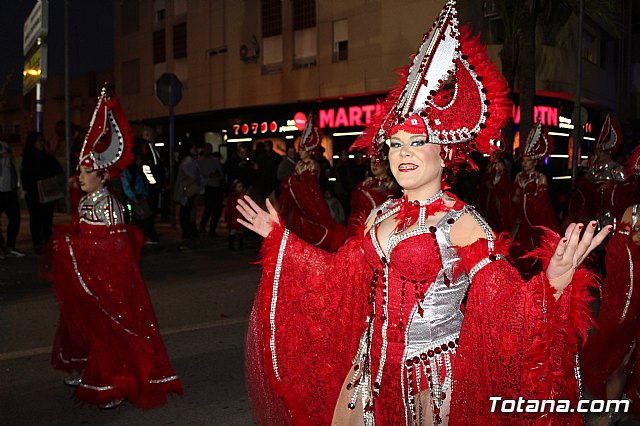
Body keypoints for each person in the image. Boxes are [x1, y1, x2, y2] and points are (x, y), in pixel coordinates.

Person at [237, 2, 611, 424]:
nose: (403, 154)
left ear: (445, 151)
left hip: (430, 380)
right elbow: (340, 277)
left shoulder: (464, 222)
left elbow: (503, 306)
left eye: (416, 142)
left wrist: (555, 278)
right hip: (367, 369)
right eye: (395, 144)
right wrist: (280, 238)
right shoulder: (383, 214)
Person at [46, 86, 183, 409]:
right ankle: (91, 369)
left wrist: (81, 249)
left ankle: (113, 384)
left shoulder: (109, 205)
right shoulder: (86, 203)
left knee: (111, 331)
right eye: (80, 170)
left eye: (86, 171)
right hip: (89, 280)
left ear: (103, 175)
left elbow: (116, 247)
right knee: (84, 324)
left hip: (109, 284)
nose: (80, 177)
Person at [277, 113, 347, 252]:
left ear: (309, 151)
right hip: (297, 200)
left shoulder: (313, 164)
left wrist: (295, 183)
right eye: (300, 150)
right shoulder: (298, 164)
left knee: (315, 222)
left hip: (310, 199)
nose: (300, 152)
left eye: (302, 150)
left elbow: (310, 183)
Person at [510, 119, 560, 272]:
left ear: (534, 162)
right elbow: (514, 195)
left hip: (535, 219)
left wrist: (528, 201)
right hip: (521, 220)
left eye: (527, 161)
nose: (524, 164)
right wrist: (517, 199)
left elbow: (542, 201)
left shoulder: (540, 178)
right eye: (523, 161)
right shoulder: (519, 176)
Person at [21, 131, 64, 253]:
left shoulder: (46, 156)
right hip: (34, 193)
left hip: (47, 191)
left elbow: (57, 169)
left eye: (43, 141)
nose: (42, 143)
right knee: (36, 218)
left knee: (47, 219)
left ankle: (47, 240)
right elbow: (28, 174)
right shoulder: (29, 157)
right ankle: (38, 243)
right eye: (39, 141)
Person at [346, 155, 398, 236]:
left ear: (387, 165)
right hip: (360, 223)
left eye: (377, 162)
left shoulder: (392, 184)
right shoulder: (366, 183)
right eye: (371, 162)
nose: (374, 165)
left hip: (379, 225)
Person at [474, 148, 514, 234]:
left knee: (496, 209)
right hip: (489, 191)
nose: (492, 156)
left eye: (494, 154)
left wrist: (493, 184)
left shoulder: (499, 165)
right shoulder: (490, 164)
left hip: (496, 191)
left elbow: (501, 178)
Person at [0, 131, 23, 258]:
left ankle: (10, 245)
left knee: (15, 218)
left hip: (9, 189)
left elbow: (12, 166)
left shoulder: (6, 145)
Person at [173, 142, 202, 240]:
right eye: (194, 147)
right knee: (187, 211)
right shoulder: (188, 161)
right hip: (189, 190)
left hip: (189, 189)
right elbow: (192, 175)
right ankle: (188, 230)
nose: (196, 149)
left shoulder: (189, 161)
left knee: (188, 210)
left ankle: (189, 230)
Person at [198, 142, 225, 236]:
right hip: (208, 186)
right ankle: (203, 226)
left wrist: (217, 175)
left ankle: (212, 229)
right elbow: (200, 174)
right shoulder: (200, 161)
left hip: (216, 186)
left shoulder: (215, 161)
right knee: (209, 208)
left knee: (217, 209)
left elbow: (221, 174)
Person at [225, 179, 246, 250]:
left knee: (240, 231)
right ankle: (231, 246)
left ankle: (240, 245)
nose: (240, 188)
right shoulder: (233, 196)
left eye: (241, 186)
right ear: (234, 187)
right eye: (238, 186)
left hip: (239, 216)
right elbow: (229, 208)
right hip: (233, 217)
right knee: (233, 230)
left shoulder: (242, 195)